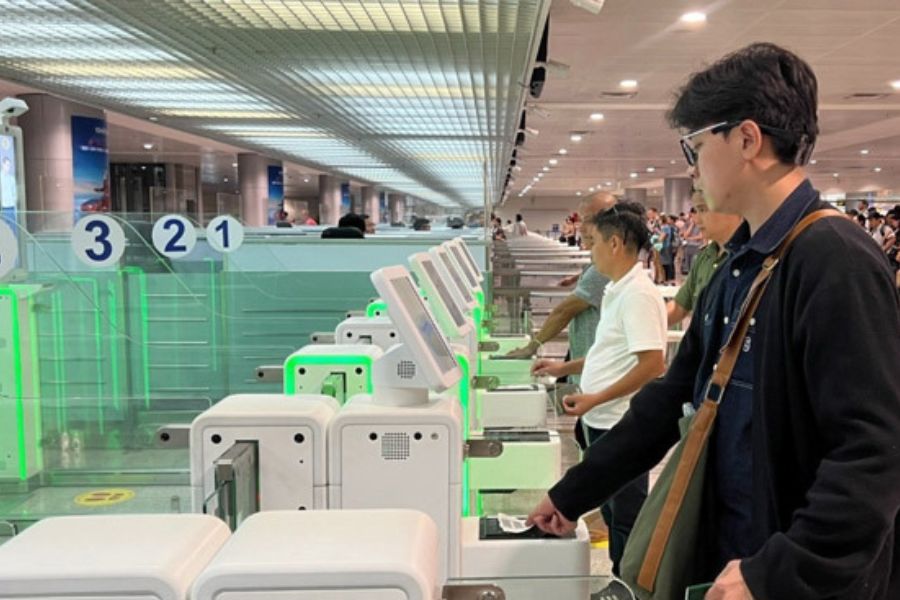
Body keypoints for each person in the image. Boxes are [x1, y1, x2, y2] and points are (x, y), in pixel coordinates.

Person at [527, 42, 900, 600]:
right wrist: (573, 493)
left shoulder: (833, 260)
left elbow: (873, 450)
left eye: (696, 145)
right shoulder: (740, 265)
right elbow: (671, 396)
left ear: (747, 139)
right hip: (734, 561)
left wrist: (778, 570)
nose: (691, 167)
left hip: (793, 580)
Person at [530, 201, 667, 578]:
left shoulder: (638, 295)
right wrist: (564, 368)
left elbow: (652, 365)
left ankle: (631, 584)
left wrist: (596, 398)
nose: (589, 252)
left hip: (620, 422)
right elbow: (608, 353)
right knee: (610, 508)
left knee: (627, 516)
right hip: (601, 418)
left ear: (615, 244)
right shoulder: (617, 290)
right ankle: (620, 579)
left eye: (593, 243)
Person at [504, 192, 616, 363]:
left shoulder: (604, 269)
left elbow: (564, 311)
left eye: (588, 220)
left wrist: (532, 346)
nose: (581, 228)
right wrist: (576, 278)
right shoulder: (601, 264)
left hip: (594, 364)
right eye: (581, 220)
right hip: (587, 359)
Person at [667, 192, 742, 326]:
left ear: (731, 207)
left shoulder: (750, 259)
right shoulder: (705, 256)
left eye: (702, 209)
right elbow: (680, 306)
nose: (696, 220)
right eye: (696, 211)